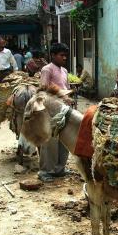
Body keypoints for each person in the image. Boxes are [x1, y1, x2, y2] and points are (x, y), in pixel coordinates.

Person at [38, 43, 72, 182]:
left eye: (65, 55)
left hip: (64, 108)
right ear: (53, 55)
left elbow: (67, 87)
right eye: (61, 55)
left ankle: (59, 169)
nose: (64, 57)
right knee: (50, 140)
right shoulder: (47, 69)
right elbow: (44, 88)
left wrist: (68, 98)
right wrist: (61, 95)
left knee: (64, 139)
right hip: (51, 107)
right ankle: (45, 171)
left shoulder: (64, 70)